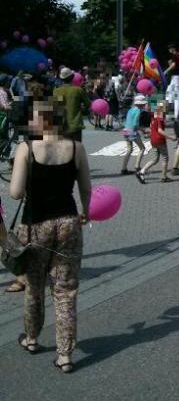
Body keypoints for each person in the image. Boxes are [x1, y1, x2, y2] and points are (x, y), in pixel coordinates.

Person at [10, 96, 91, 373]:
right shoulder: (76, 147)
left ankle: (31, 338)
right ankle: (65, 354)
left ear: (40, 119)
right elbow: (86, 188)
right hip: (68, 221)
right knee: (65, 290)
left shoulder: (27, 148)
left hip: (36, 225)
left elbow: (16, 193)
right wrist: (86, 211)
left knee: (34, 285)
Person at [137, 101, 174, 183]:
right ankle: (164, 177)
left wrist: (149, 134)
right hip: (160, 140)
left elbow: (151, 128)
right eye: (166, 108)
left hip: (153, 140)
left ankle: (142, 172)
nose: (167, 110)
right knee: (165, 158)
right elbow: (160, 130)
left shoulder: (153, 117)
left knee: (155, 159)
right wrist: (170, 137)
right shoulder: (159, 118)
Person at [53, 68, 90, 142]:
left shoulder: (56, 91)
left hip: (61, 124)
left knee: (62, 149)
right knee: (77, 149)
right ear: (73, 77)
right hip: (75, 123)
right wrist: (82, 109)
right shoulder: (78, 90)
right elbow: (88, 104)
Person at [121, 95, 148, 174]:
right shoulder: (138, 111)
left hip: (125, 130)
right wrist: (142, 130)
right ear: (140, 104)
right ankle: (137, 166)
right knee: (142, 148)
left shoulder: (130, 110)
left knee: (129, 150)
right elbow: (135, 124)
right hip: (132, 131)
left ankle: (124, 168)